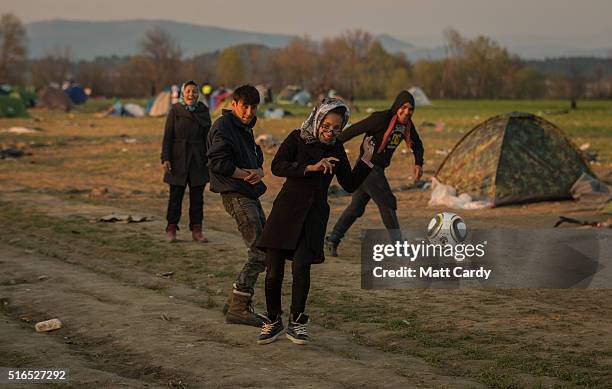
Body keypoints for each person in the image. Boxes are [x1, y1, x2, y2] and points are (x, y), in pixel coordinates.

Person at [255, 98, 375, 345]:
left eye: (337, 129)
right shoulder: (297, 137)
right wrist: (309, 168)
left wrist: (366, 159)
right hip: (285, 212)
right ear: (318, 119)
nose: (330, 132)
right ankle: (272, 321)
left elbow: (349, 184)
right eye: (327, 125)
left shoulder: (336, 148)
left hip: (313, 217)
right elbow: (277, 166)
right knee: (273, 272)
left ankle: (297, 323)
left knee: (301, 268)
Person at [325, 90, 424, 256]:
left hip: (374, 169)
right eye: (404, 108)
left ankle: (333, 238)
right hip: (369, 167)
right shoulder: (381, 118)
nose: (407, 112)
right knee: (387, 202)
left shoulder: (407, 125)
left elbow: (418, 144)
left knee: (356, 207)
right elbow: (355, 130)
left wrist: (418, 163)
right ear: (397, 106)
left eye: (411, 109)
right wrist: (331, 145)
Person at [207, 84, 267, 327]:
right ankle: (239, 306)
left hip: (249, 192)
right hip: (236, 195)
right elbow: (217, 162)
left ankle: (234, 301)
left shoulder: (244, 127)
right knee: (260, 253)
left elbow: (255, 154)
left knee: (266, 247)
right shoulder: (223, 127)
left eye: (253, 107)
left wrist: (259, 170)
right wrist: (245, 174)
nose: (249, 111)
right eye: (245, 106)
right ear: (234, 104)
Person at [161, 81, 212, 243]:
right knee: (175, 196)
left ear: (199, 94)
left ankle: (197, 230)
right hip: (178, 158)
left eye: (195, 92)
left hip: (198, 159)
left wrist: (210, 158)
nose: (192, 94)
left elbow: (209, 138)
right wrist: (166, 158)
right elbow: (167, 136)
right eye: (189, 91)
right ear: (183, 93)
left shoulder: (203, 111)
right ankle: (171, 228)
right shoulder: (175, 110)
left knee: (197, 198)